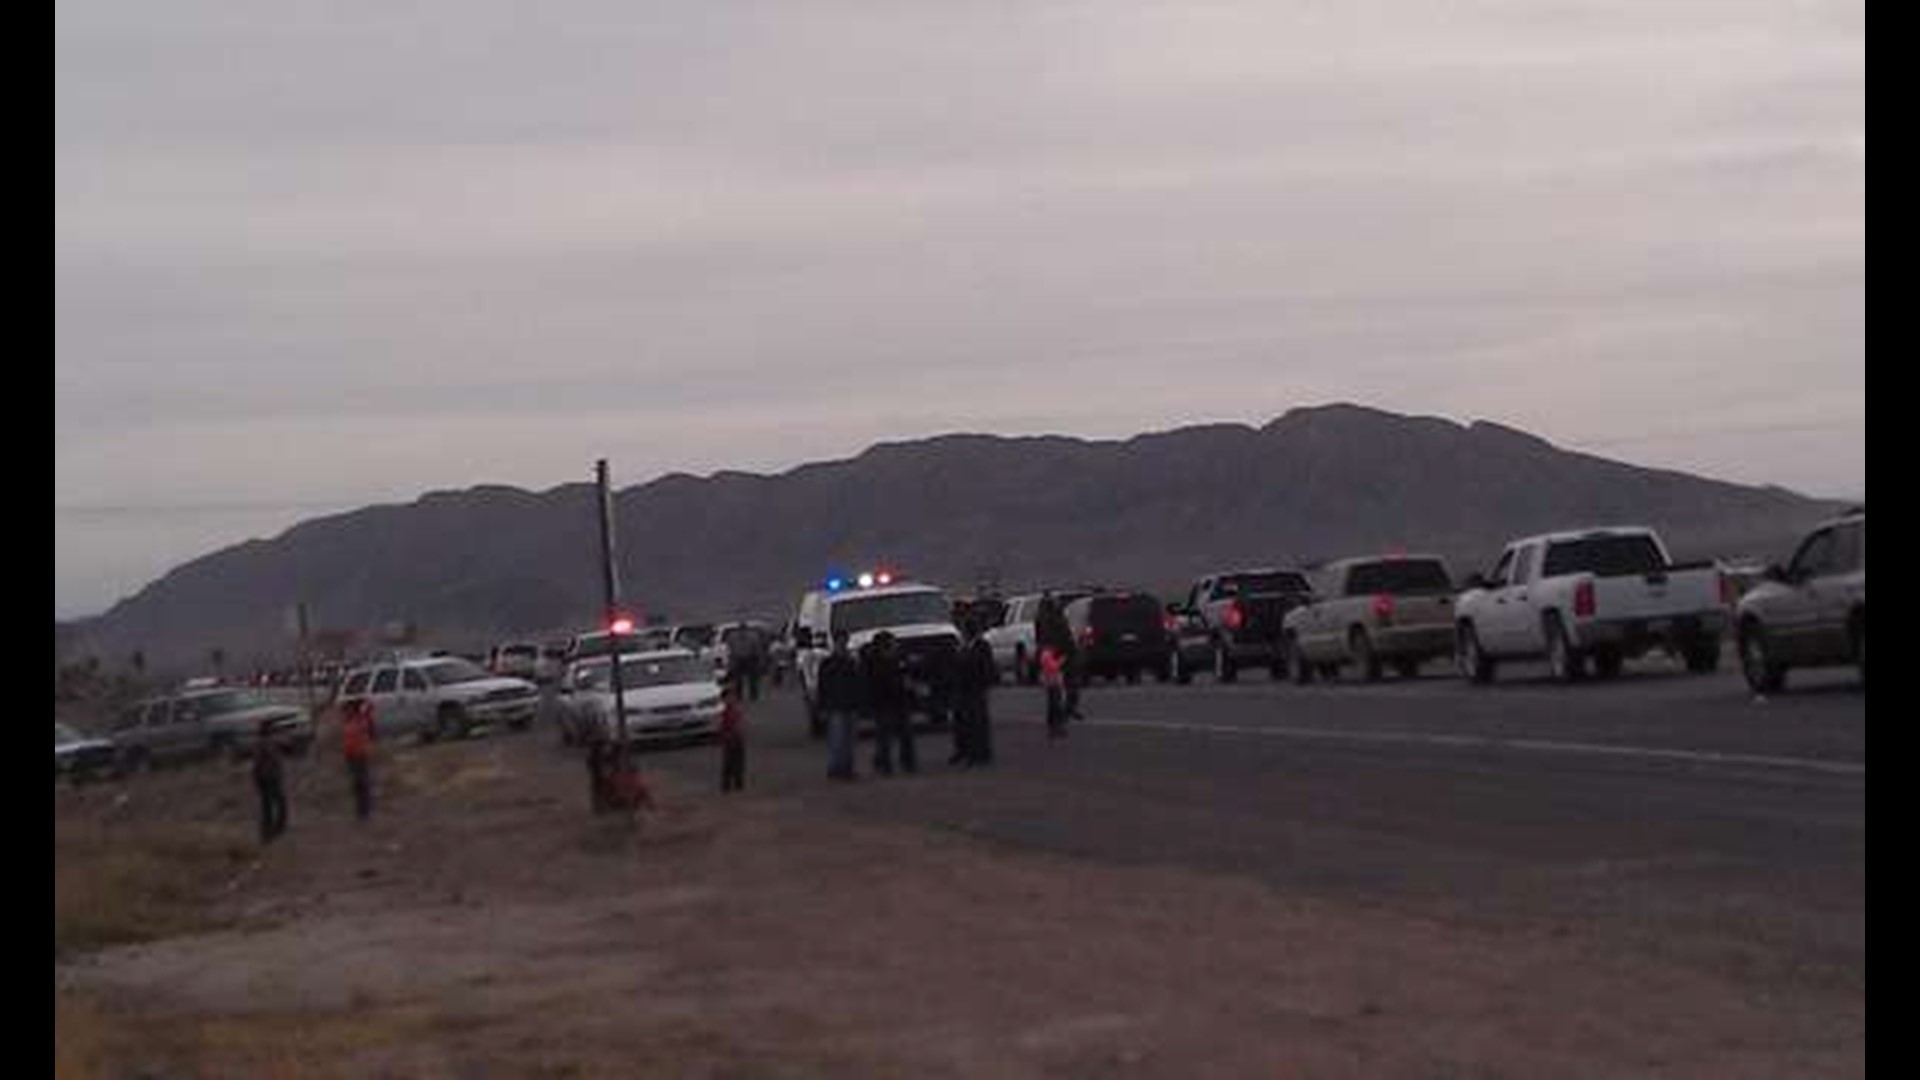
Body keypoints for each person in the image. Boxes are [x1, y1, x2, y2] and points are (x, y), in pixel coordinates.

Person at [864, 632, 916, 776]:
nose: (895, 645)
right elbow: (874, 682)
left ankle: (907, 762)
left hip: (900, 700)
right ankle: (884, 763)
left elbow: (907, 672)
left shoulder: (898, 658)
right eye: (892, 642)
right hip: (883, 701)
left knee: (905, 733)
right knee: (884, 735)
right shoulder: (874, 661)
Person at [819, 630, 864, 781]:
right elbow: (823, 687)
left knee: (849, 740)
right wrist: (823, 706)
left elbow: (858, 684)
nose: (842, 644)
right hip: (836, 705)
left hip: (849, 704)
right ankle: (836, 768)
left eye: (844, 641)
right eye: (840, 641)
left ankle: (846, 768)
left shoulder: (850, 662)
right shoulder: (829, 663)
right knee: (837, 740)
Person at [952, 625, 997, 767]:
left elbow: (985, 667)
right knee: (961, 720)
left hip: (976, 687)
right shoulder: (962, 646)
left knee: (977, 721)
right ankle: (963, 750)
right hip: (963, 688)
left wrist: (984, 683)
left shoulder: (982, 646)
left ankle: (979, 753)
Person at [1034, 593, 1082, 720]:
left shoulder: (1054, 617)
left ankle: (1067, 709)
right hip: (1054, 653)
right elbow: (1044, 638)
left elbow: (1065, 635)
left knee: (1069, 683)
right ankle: (1058, 712)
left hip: (1061, 652)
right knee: (1056, 686)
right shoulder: (1047, 618)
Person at [251, 720, 289, 844]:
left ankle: (269, 832)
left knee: (269, 805)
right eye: (273, 729)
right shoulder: (266, 743)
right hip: (268, 778)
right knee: (276, 804)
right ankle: (274, 830)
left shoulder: (265, 743)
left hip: (267, 777)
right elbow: (258, 763)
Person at [341, 698, 376, 821]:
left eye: (349, 709)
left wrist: (362, 700)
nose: (347, 712)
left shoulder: (362, 719)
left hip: (360, 755)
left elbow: (371, 706)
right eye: (346, 710)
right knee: (356, 784)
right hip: (350, 755)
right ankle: (360, 810)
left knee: (363, 783)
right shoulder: (347, 721)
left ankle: (365, 811)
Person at [719, 685, 748, 793]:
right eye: (728, 697)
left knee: (739, 761)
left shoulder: (736, 710)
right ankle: (727, 784)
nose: (730, 699)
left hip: (737, 738)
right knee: (728, 763)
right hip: (730, 739)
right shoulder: (725, 712)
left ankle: (738, 782)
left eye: (732, 697)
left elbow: (740, 723)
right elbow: (723, 726)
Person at [1041, 646, 1069, 740]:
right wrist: (1061, 661)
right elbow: (1053, 667)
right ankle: (1055, 728)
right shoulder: (1047, 655)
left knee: (1055, 706)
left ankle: (1056, 728)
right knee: (1056, 706)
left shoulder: (1048, 655)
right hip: (1053, 683)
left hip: (1054, 683)